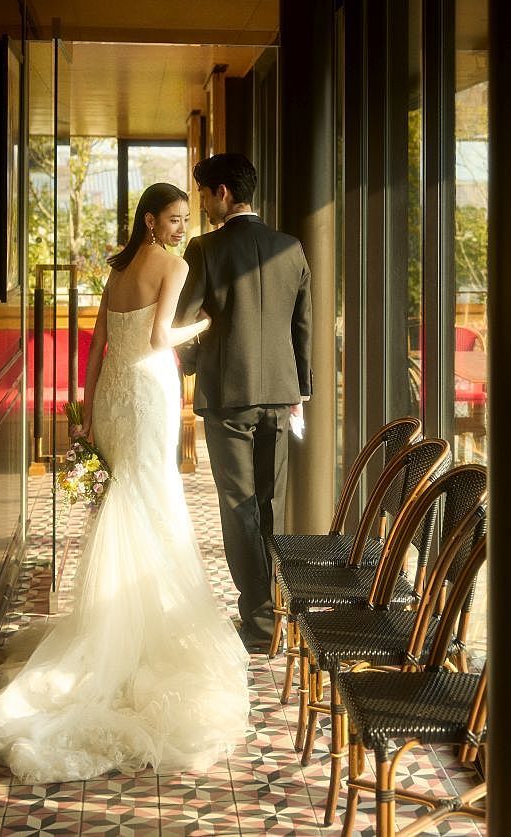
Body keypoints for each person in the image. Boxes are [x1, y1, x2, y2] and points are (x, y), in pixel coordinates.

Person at [0, 183, 249, 783]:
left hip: (113, 399)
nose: (181, 228)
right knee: (153, 500)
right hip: (149, 393)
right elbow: (159, 339)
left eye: (185, 218)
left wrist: (88, 406)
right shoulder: (173, 267)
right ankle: (137, 625)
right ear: (150, 220)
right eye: (173, 219)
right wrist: (201, 325)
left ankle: (114, 619)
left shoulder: (119, 270)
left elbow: (98, 345)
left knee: (126, 497)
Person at [174, 153, 313, 653]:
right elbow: (302, 325)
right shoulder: (290, 248)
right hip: (280, 394)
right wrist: (300, 390)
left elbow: (183, 322)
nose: (203, 204)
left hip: (228, 397)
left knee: (238, 508)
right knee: (271, 505)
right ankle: (276, 612)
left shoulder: (205, 249)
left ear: (223, 193)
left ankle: (259, 622)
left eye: (204, 194)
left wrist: (190, 361)